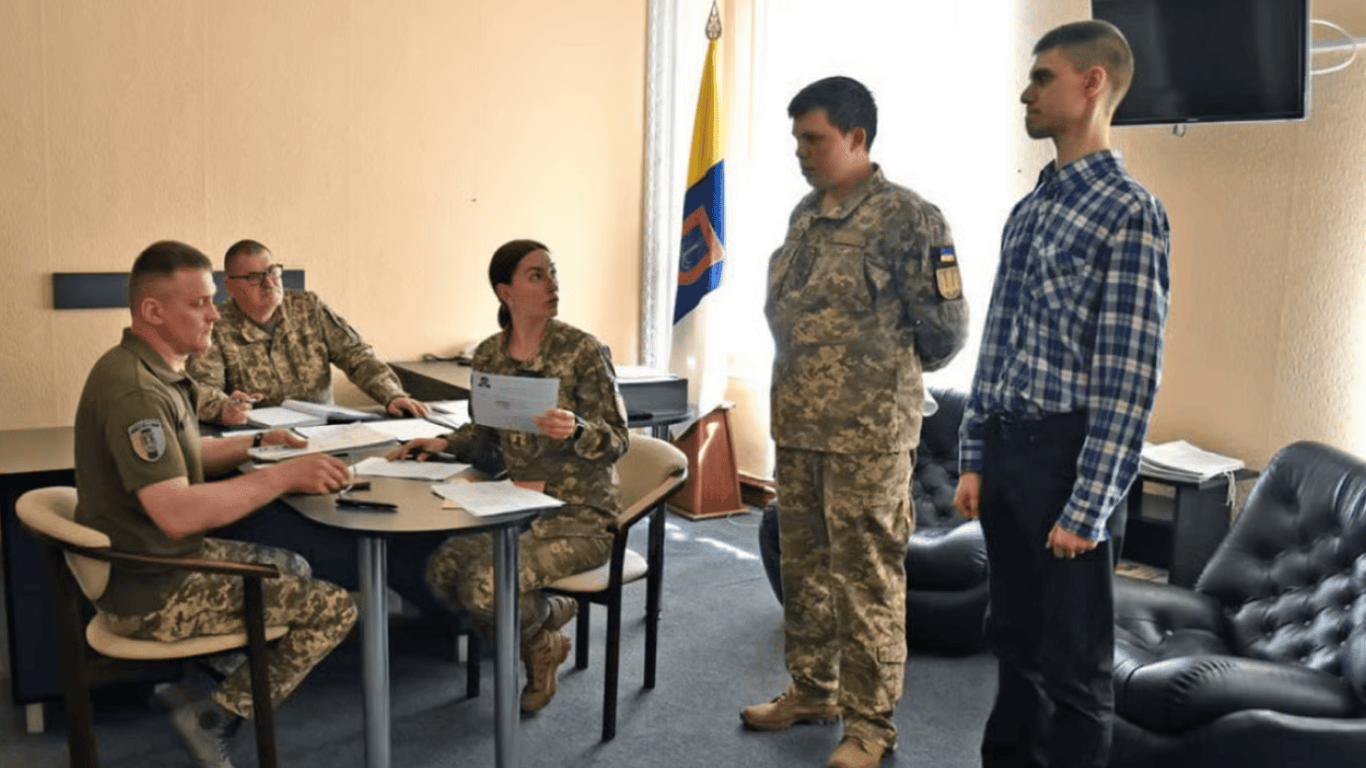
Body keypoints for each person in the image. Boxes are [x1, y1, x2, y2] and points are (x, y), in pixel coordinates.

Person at [953, 20, 1170, 768]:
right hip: (1008, 451)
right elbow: (996, 344)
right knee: (1012, 644)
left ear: (1093, 82)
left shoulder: (1129, 211)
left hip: (1067, 458)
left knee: (1074, 667)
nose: (1027, 91)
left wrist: (1090, 504)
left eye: (1043, 76)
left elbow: (1129, 374)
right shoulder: (1030, 209)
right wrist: (975, 454)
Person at [742, 76, 968, 768]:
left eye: (813, 139)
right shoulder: (805, 214)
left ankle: (871, 726)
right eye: (797, 139)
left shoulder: (910, 218)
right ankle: (815, 690)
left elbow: (945, 331)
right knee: (804, 570)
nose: (800, 151)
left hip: (867, 439)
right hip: (798, 429)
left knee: (867, 580)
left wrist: (877, 378)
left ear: (857, 137)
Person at [74, 240, 359, 768]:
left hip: (147, 561)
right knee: (335, 607)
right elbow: (177, 512)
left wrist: (257, 444)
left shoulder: (147, 370)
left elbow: (184, 458)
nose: (214, 314)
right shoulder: (137, 391)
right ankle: (211, 717)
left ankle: (209, 687)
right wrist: (283, 476)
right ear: (153, 311)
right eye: (200, 303)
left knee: (293, 566)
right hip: (151, 586)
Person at [387, 239, 629, 714]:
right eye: (537, 275)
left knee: (483, 585)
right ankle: (544, 626)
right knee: (439, 572)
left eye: (553, 272)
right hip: (516, 505)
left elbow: (618, 439)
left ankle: (536, 645)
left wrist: (579, 429)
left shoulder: (582, 350)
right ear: (505, 292)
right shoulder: (490, 356)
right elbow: (485, 439)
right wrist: (445, 444)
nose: (552, 284)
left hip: (579, 515)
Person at [186, 238, 427, 425]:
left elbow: (357, 356)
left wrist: (392, 395)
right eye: (254, 277)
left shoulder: (309, 307)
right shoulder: (215, 325)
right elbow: (202, 389)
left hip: (324, 429)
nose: (269, 283)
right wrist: (224, 408)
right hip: (257, 436)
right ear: (229, 285)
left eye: (272, 271)